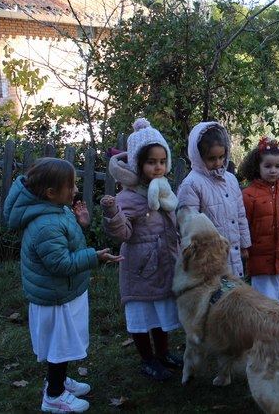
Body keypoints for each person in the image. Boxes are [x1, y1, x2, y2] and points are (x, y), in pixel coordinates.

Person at [4, 158, 123, 413]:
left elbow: (67, 244)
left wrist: (82, 224)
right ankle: (54, 396)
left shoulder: (55, 209)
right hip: (56, 297)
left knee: (64, 345)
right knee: (61, 345)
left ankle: (57, 381)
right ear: (50, 192)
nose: (75, 190)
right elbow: (60, 264)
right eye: (70, 186)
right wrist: (95, 257)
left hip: (64, 292)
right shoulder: (46, 224)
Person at [101, 118, 182, 382]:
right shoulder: (129, 197)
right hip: (140, 267)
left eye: (161, 161)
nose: (157, 167)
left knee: (160, 313)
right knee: (142, 316)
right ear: (138, 164)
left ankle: (163, 353)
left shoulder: (163, 191)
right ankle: (147, 359)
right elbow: (123, 233)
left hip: (164, 263)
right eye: (151, 162)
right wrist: (113, 213)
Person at [176, 121, 251, 277]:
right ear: (198, 156)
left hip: (233, 252)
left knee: (234, 293)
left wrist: (244, 244)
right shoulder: (191, 184)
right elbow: (188, 225)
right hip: (207, 258)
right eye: (211, 158)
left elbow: (240, 214)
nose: (218, 163)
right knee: (214, 296)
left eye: (221, 157)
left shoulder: (230, 179)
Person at [238, 136, 279, 302]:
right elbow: (243, 223)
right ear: (258, 167)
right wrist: (244, 246)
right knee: (263, 300)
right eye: (268, 166)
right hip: (259, 256)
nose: (273, 170)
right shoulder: (248, 195)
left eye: (278, 166)